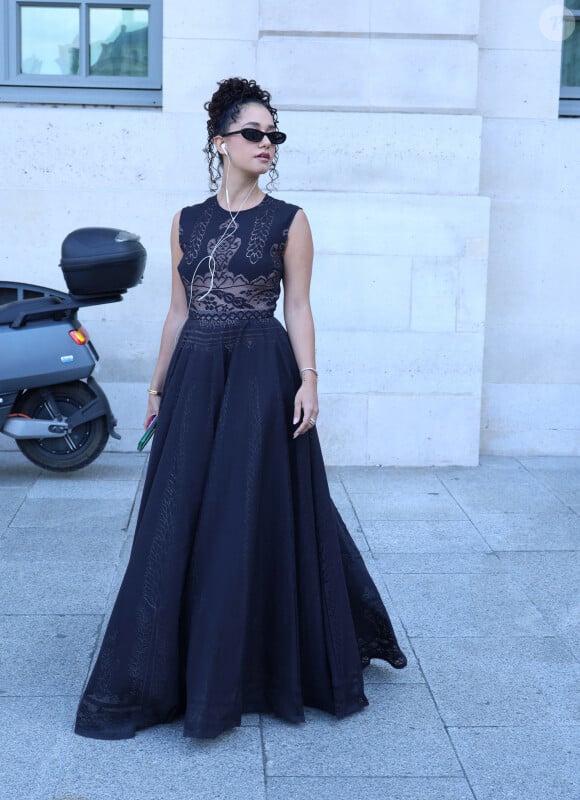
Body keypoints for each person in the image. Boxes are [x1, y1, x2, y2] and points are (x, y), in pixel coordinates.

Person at [75, 77, 407, 741]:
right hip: (196, 370)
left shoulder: (290, 220)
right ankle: (171, 667)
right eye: (254, 133)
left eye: (273, 135)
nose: (266, 144)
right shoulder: (185, 221)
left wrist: (309, 379)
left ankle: (259, 663)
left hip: (261, 369)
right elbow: (177, 312)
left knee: (251, 509)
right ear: (220, 141)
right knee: (182, 513)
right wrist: (155, 387)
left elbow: (301, 307)